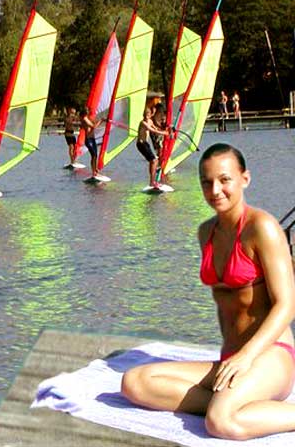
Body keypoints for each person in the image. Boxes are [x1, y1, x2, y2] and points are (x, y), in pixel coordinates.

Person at [121, 143, 295, 440]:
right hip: (231, 358)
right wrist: (235, 358)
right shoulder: (206, 232)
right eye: (206, 181)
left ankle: (228, 406)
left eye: (225, 179)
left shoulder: (262, 227)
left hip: (269, 356)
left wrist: (247, 357)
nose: (215, 190)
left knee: (221, 423)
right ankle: (233, 402)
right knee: (134, 382)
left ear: (245, 179)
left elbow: (286, 305)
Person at [136, 107, 168, 188]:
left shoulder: (150, 121)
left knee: (154, 161)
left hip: (146, 144)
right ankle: (152, 182)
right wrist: (164, 133)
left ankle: (153, 181)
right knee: (154, 160)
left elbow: (155, 128)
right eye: (145, 115)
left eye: (147, 115)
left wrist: (167, 129)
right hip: (141, 144)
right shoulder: (143, 123)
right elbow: (152, 130)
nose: (146, 116)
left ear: (150, 115)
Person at [79, 107, 102, 178]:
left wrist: (100, 120)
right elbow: (94, 126)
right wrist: (101, 121)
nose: (89, 111)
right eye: (87, 110)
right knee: (94, 155)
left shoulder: (88, 118)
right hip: (88, 140)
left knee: (95, 155)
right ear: (85, 112)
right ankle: (93, 171)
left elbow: (94, 123)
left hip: (92, 139)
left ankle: (95, 170)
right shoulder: (85, 119)